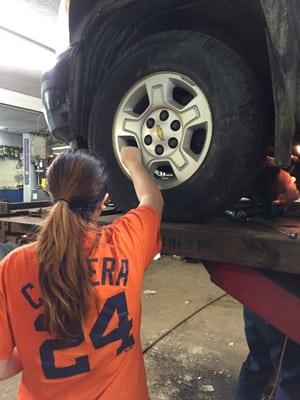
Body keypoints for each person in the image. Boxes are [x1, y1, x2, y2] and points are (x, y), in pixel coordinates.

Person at [0, 146, 163, 400]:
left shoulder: (13, 266)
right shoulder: (127, 241)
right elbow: (152, 200)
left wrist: (32, 346)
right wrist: (132, 162)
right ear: (103, 202)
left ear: (50, 195)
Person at [235, 164, 300, 400]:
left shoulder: (263, 218)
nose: (294, 178)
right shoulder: (278, 223)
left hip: (255, 302)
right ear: (281, 198)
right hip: (277, 306)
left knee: (258, 364)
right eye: (290, 181)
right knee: (292, 376)